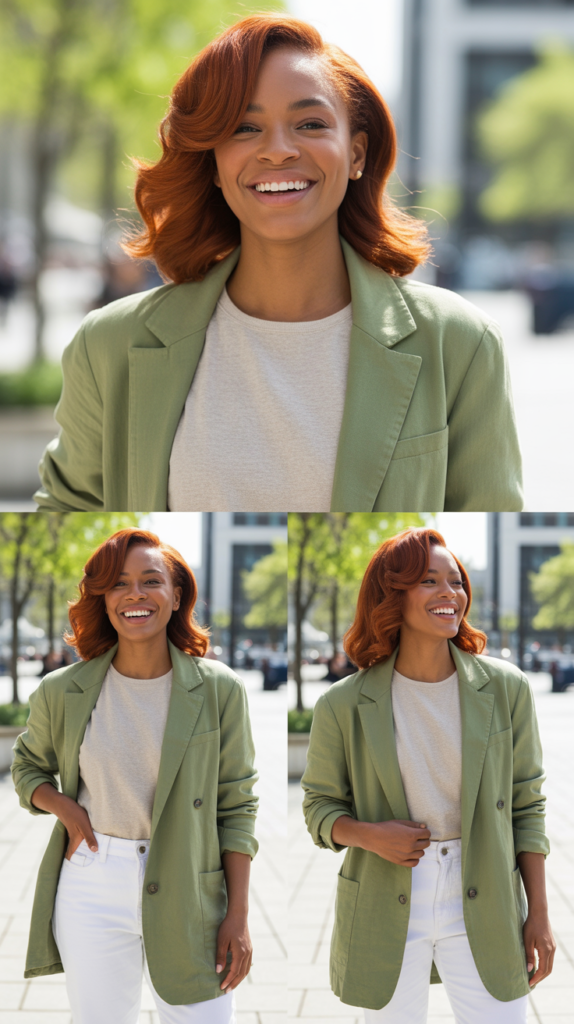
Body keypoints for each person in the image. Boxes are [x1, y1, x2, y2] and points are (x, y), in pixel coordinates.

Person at [34, 14, 521, 513]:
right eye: (245, 127)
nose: (278, 151)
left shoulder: (459, 344)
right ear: (215, 164)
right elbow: (65, 529)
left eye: (310, 124)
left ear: (356, 153)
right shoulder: (110, 346)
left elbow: (489, 534)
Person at [302, 527, 554, 1023]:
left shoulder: (506, 689)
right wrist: (370, 836)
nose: (449, 593)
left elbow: (527, 805)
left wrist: (539, 913)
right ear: (392, 595)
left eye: (456, 581)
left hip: (484, 889)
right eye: (429, 581)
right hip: (385, 892)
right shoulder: (343, 703)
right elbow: (317, 807)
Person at [11, 528, 258, 1024]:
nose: (135, 595)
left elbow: (238, 805)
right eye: (119, 584)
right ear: (103, 599)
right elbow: (27, 766)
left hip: (191, 882)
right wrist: (64, 807)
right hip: (93, 882)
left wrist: (239, 914)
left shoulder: (219, 689)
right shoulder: (64, 690)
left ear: (176, 595)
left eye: (151, 580)